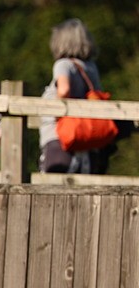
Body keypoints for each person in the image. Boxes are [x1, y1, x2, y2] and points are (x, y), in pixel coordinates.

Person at [39, 18, 115, 174]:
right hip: (88, 145)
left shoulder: (63, 64)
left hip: (61, 140)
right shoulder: (91, 67)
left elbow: (64, 90)